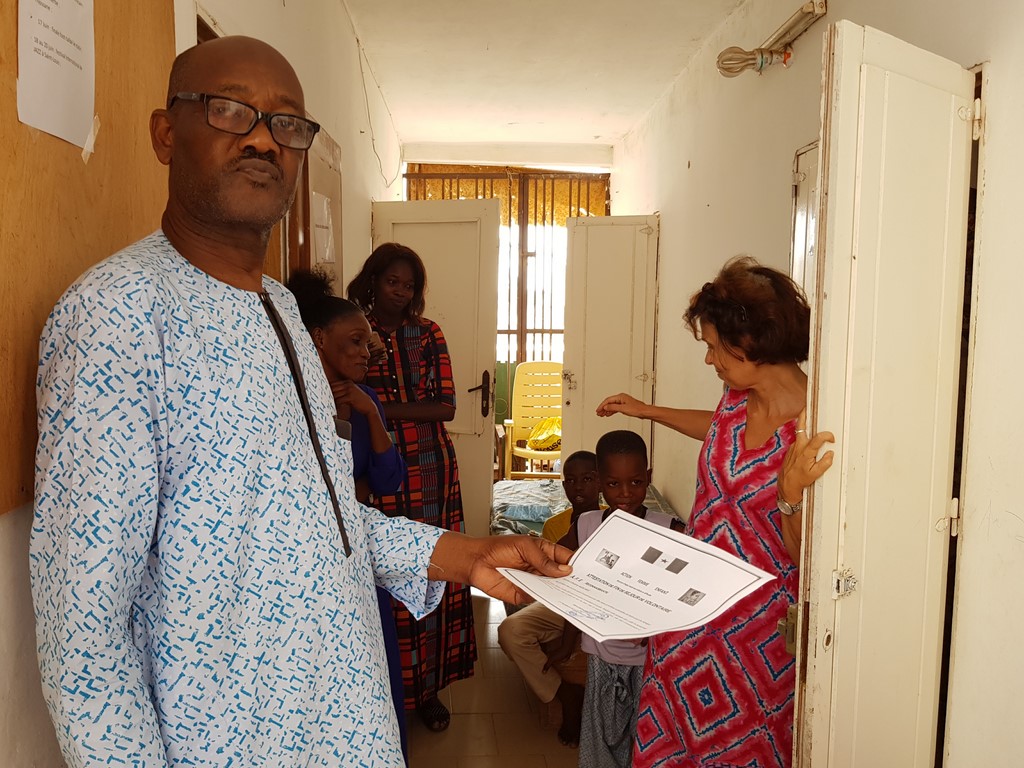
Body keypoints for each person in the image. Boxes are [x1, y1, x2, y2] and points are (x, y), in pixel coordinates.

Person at [29, 36, 571, 768]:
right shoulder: (117, 316)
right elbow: (83, 634)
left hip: (346, 716)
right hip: (231, 741)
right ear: (165, 134)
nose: (262, 138)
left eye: (285, 123)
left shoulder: (283, 309)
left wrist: (465, 554)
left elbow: (316, 518)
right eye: (229, 110)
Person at [596, 256, 835, 767]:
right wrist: (648, 411)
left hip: (754, 638)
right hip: (687, 613)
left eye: (713, 346)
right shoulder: (736, 396)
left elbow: (808, 561)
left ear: (749, 340)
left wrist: (789, 495)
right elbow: (720, 430)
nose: (709, 359)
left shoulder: (817, 427)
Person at [347, 242, 473, 732]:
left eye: (409, 285)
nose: (400, 291)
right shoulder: (355, 331)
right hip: (379, 472)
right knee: (389, 575)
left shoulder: (428, 332)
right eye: (391, 281)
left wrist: (375, 406)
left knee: (435, 570)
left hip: (432, 470)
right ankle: (389, 689)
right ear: (373, 282)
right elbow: (340, 392)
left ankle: (430, 690)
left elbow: (446, 407)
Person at [287, 267, 410, 762]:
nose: (365, 352)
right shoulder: (293, 403)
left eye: (367, 344)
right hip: (310, 563)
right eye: (355, 341)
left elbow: (389, 480)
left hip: (358, 551)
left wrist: (370, 413)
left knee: (375, 667)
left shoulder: (366, 400)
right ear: (318, 338)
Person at [564, 430, 684, 768]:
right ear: (600, 482)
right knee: (600, 738)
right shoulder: (586, 525)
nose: (626, 493)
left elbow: (685, 593)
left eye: (636, 482)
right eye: (614, 484)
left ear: (648, 477)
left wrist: (658, 625)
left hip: (652, 661)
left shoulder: (670, 529)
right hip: (602, 657)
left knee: (648, 738)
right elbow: (556, 564)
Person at [497, 450, 602, 747]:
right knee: (510, 631)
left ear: (600, 482)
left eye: (587, 479)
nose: (578, 487)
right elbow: (555, 582)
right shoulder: (556, 526)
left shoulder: (612, 522)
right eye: (571, 480)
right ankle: (564, 694)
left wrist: (568, 641)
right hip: (563, 604)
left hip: (600, 609)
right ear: (564, 485)